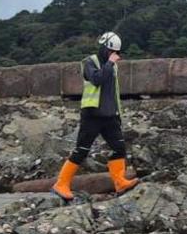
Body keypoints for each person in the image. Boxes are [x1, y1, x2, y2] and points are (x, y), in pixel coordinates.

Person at [51, 32, 140, 201]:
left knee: (119, 148)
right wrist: (110, 63)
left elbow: (114, 92)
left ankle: (120, 182)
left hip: (110, 116)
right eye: (111, 52)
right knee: (81, 150)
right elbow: (97, 79)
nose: (114, 55)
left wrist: (118, 115)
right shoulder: (89, 62)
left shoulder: (112, 66)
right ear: (104, 48)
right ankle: (61, 184)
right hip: (92, 115)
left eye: (117, 53)